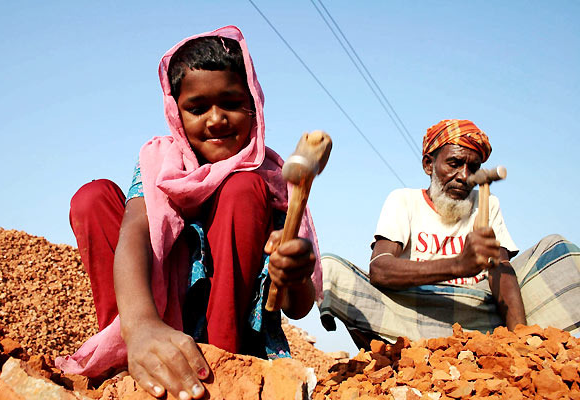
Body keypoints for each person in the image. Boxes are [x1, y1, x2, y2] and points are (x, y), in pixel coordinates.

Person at [55, 26, 323, 400]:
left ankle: (219, 364)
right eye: (197, 108)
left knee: (242, 188)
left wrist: (294, 275)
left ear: (254, 104)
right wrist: (142, 325)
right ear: (176, 113)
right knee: (93, 197)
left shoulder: (271, 179)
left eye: (231, 103)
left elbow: (298, 307)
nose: (216, 120)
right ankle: (136, 356)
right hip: (150, 322)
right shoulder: (160, 162)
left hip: (231, 344)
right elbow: (135, 231)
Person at [319, 119, 580, 350]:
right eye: (454, 164)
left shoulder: (488, 205)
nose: (464, 176)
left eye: (473, 167)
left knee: (557, 250)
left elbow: (500, 268)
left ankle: (516, 344)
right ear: (428, 164)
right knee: (329, 268)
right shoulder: (403, 201)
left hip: (476, 314)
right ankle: (391, 357)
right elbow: (379, 270)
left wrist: (518, 342)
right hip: (413, 311)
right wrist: (458, 266)